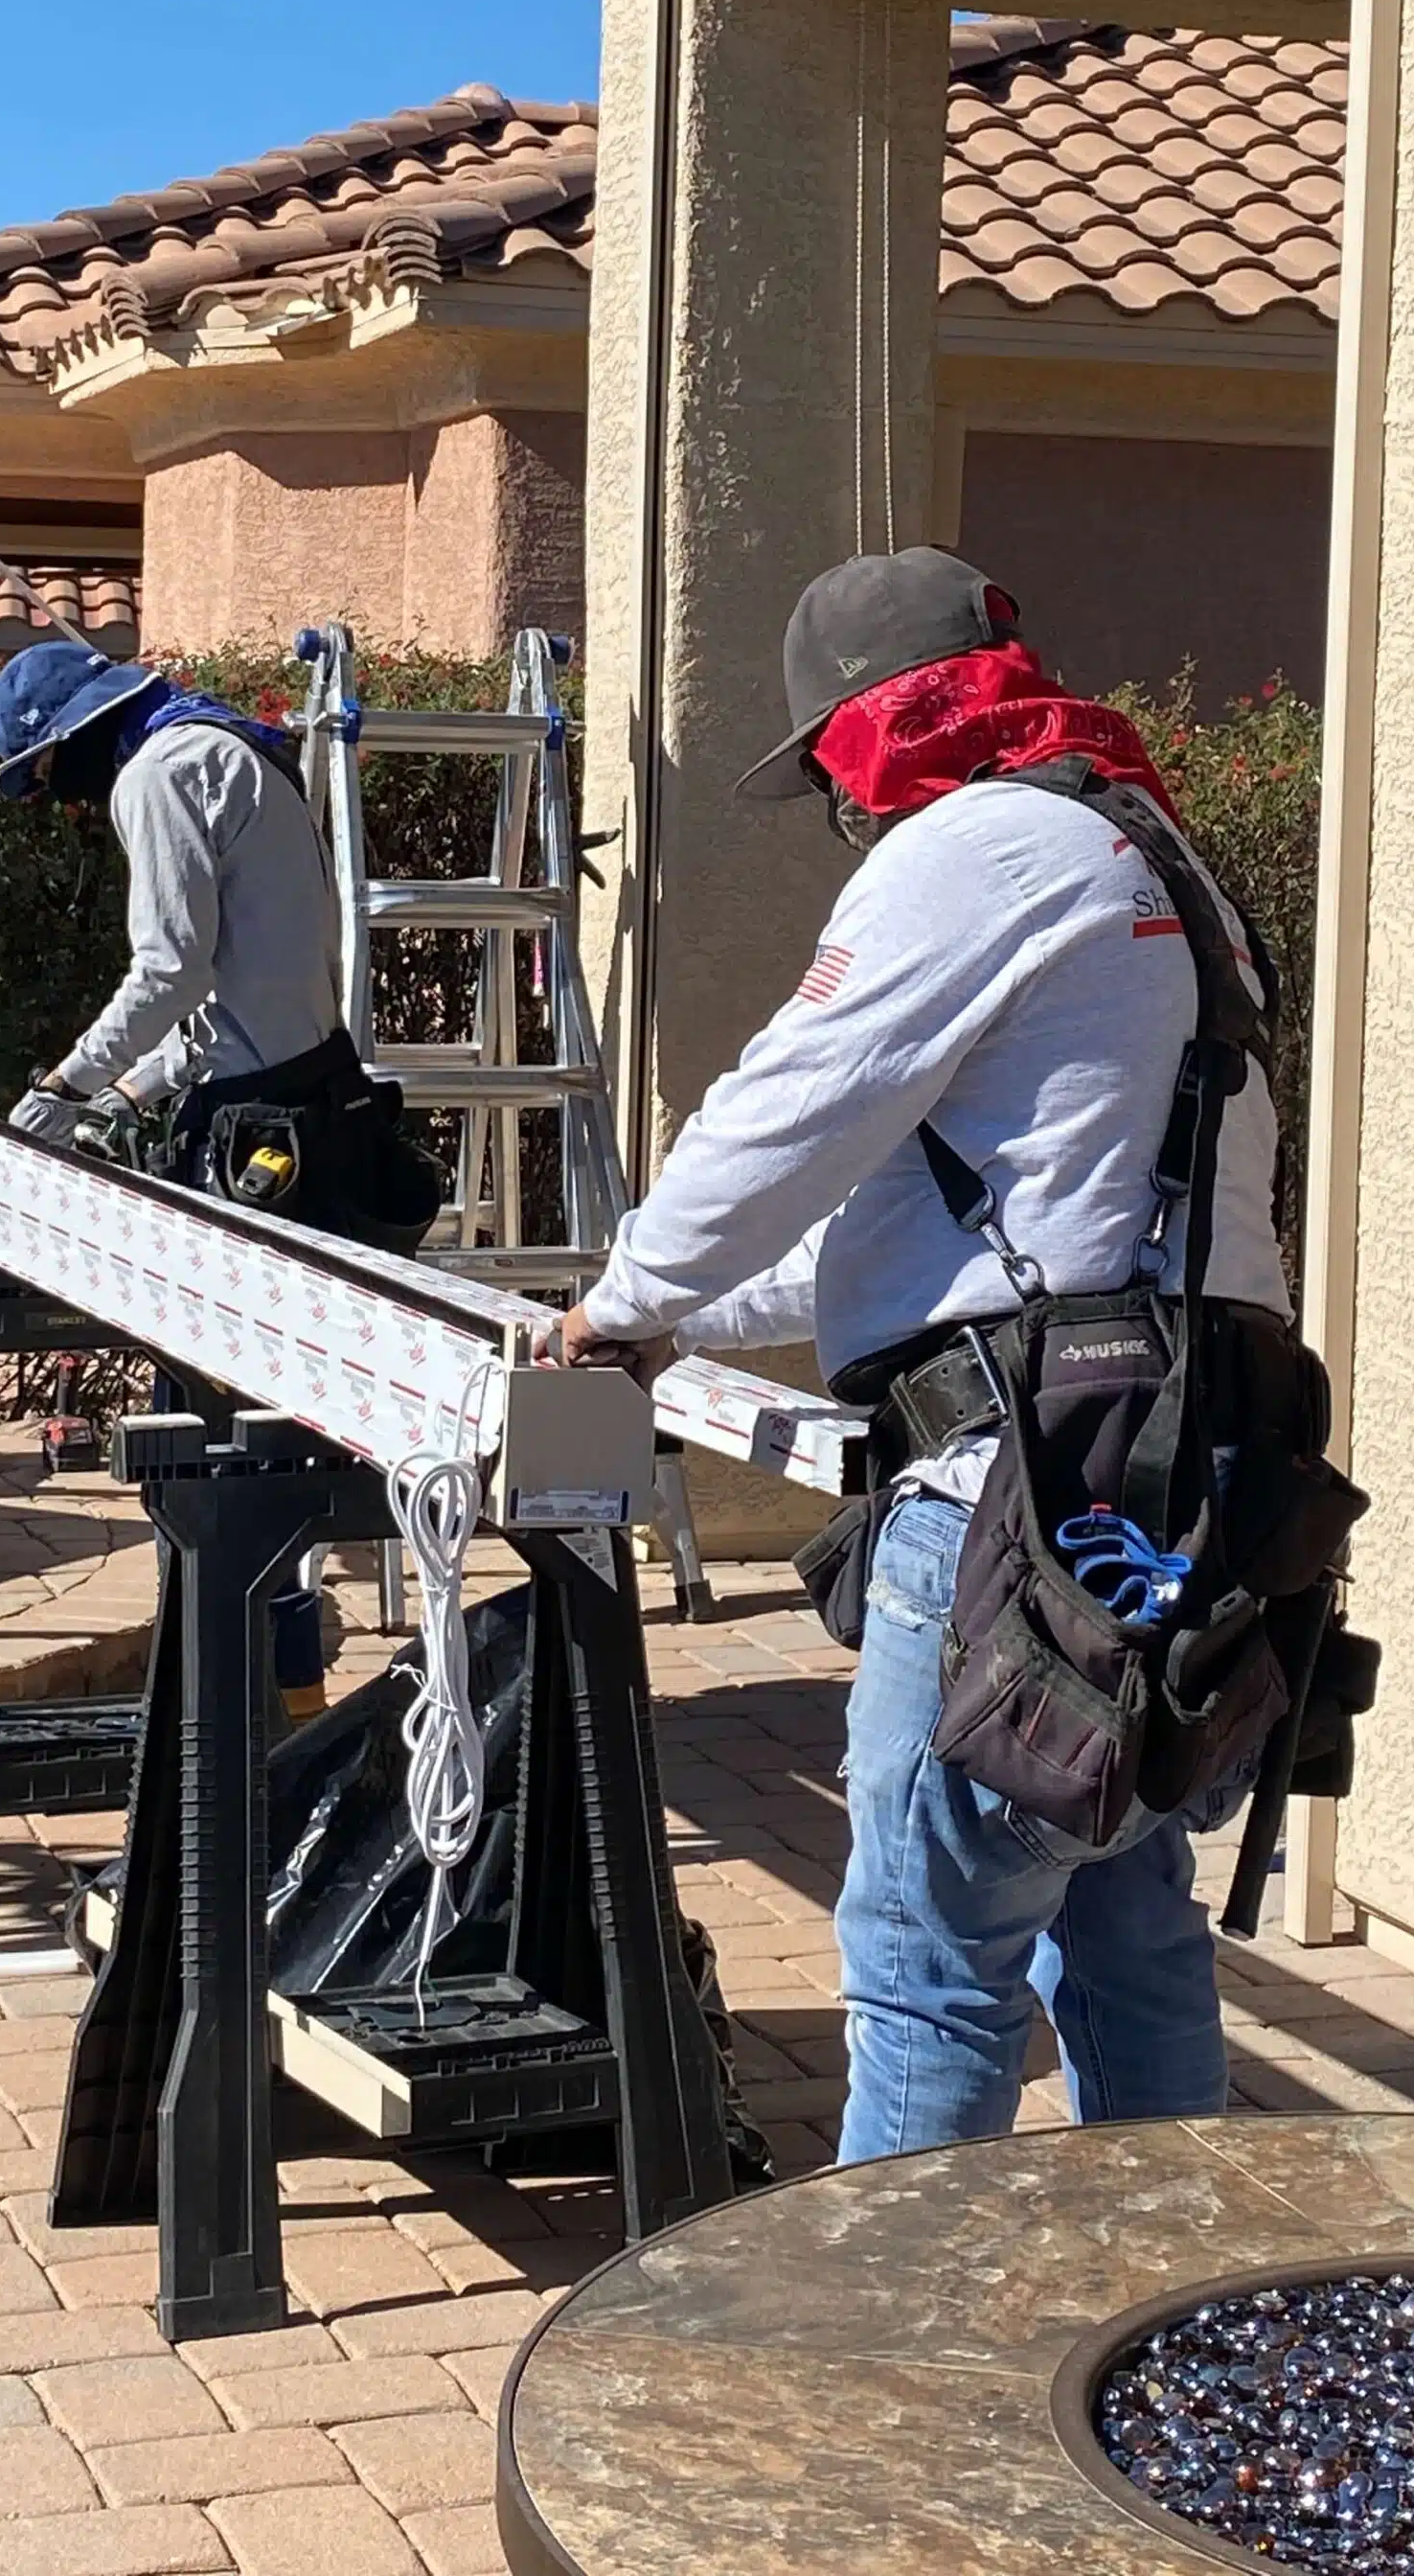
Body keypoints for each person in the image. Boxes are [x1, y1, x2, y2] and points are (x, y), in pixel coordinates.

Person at [542, 548, 1289, 2162]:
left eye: (832, 776)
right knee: (1120, 1912)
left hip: (1010, 1489)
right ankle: (1151, 2296)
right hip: (1176, 1468)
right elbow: (918, 1231)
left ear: (868, 733)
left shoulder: (973, 847)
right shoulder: (1145, 850)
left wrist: (615, 1305)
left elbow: (789, 1105)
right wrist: (680, 1318)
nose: (846, 812)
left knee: (931, 1956)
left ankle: (903, 2362)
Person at [0, 640, 346, 1716]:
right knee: (247, 1427)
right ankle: (264, 1696)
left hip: (258, 1136)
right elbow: (224, 999)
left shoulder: (156, 772)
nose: (63, 807)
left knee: (207, 1440)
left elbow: (170, 966)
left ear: (72, 740)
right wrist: (122, 1097)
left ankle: (250, 1717)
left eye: (49, 782)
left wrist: (64, 1080)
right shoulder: (222, 746)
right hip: (298, 1104)